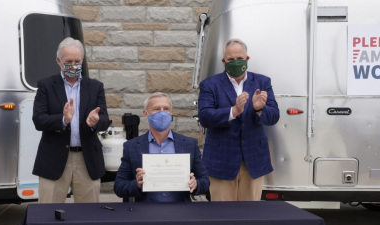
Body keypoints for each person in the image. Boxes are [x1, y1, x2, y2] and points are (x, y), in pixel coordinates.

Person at [197, 38, 279, 201]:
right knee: (222, 216)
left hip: (253, 161)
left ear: (247, 59)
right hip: (221, 161)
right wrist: (233, 111)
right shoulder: (209, 84)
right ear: (223, 61)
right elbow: (205, 117)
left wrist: (259, 109)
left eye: (240, 58)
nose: (236, 62)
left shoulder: (262, 82)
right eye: (231, 60)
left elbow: (274, 116)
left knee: (249, 217)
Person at [32, 37, 110, 203]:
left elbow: (104, 120)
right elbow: (39, 120)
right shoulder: (46, 85)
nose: (73, 64)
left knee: (88, 216)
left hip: (87, 159)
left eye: (77, 60)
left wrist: (95, 121)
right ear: (59, 61)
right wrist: (63, 119)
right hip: (54, 158)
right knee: (48, 213)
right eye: (69, 61)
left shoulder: (95, 87)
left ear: (82, 60)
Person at [114, 92, 209, 202]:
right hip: (145, 212)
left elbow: (205, 182)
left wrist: (195, 184)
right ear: (146, 114)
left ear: (171, 113)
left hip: (180, 211)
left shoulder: (189, 144)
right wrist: (137, 184)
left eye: (166, 108)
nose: (162, 113)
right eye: (156, 109)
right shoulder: (132, 146)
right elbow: (119, 187)